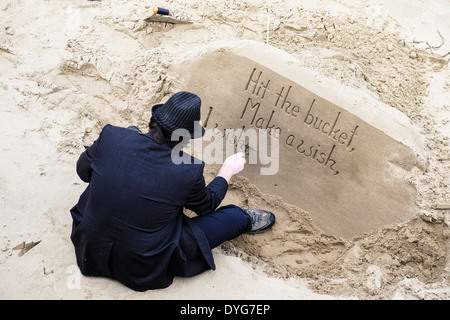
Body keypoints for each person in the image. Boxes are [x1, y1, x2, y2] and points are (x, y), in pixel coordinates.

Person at [69, 91, 276, 291]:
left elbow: (83, 172)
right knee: (233, 216)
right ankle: (245, 219)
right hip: (140, 266)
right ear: (185, 138)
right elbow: (206, 206)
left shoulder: (110, 136)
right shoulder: (188, 169)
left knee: (104, 178)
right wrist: (226, 172)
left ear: (154, 120)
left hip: (90, 248)